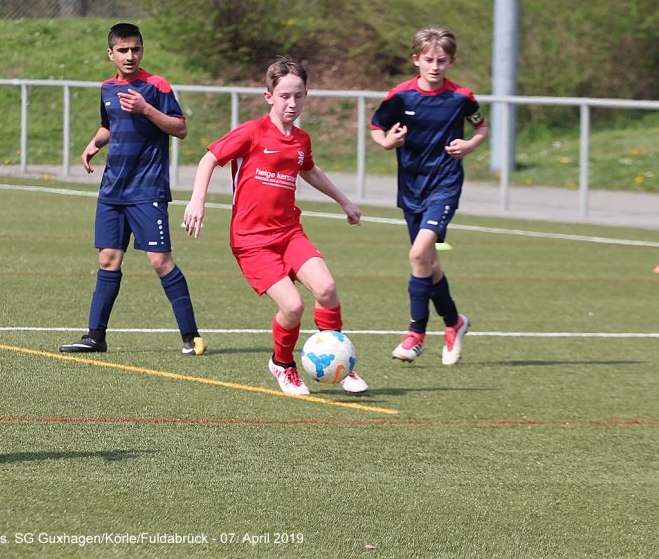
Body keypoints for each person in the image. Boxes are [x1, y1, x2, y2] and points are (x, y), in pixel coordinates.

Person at [182, 56, 369, 395]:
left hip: (289, 232)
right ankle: (282, 365)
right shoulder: (252, 132)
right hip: (251, 241)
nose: (292, 103)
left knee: (327, 290)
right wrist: (198, 200)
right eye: (284, 96)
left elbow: (309, 170)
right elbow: (210, 157)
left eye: (298, 95)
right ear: (269, 97)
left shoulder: (301, 140)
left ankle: (340, 365)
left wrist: (344, 201)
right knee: (293, 307)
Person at [59, 23, 204, 356]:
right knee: (108, 259)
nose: (130, 56)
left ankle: (191, 336)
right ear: (110, 53)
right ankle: (95, 337)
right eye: (123, 50)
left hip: (147, 190)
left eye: (135, 49)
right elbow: (108, 124)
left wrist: (146, 108)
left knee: (160, 261)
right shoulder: (107, 88)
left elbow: (180, 129)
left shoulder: (156, 85)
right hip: (113, 189)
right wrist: (95, 143)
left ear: (142, 51)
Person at [370, 26, 489, 365]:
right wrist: (387, 142)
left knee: (419, 253)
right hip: (411, 188)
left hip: (444, 185)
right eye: (429, 60)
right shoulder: (401, 96)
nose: (435, 66)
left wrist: (469, 145)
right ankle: (454, 322)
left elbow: (481, 127)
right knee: (428, 263)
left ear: (451, 62)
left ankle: (415, 335)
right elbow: (377, 127)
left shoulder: (461, 97)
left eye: (442, 61)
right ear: (416, 60)